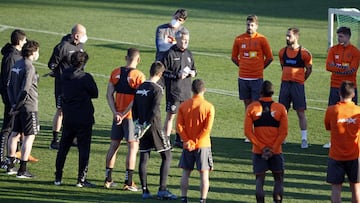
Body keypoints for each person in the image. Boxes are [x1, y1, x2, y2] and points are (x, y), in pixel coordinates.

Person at [132, 61, 176, 200]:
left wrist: (138, 124)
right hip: (154, 126)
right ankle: (162, 189)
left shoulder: (140, 87)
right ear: (160, 74)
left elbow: (134, 107)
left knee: (144, 156)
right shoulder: (157, 89)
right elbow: (155, 109)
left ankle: (145, 190)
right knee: (167, 155)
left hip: (142, 126)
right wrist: (148, 125)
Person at [54, 51, 98, 187]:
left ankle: (58, 177)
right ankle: (81, 179)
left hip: (69, 117)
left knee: (63, 147)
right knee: (84, 149)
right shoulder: (85, 77)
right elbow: (95, 93)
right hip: (84, 117)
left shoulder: (64, 75)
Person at [104, 48, 145, 191]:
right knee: (133, 148)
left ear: (125, 57)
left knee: (113, 146)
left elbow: (108, 94)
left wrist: (116, 112)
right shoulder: (139, 76)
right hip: (130, 118)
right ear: (138, 60)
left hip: (117, 117)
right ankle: (128, 182)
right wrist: (124, 113)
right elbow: (136, 100)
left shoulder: (115, 72)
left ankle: (108, 179)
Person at [231, 14, 273, 142]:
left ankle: (258, 131)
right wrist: (243, 66)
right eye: (248, 25)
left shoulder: (262, 39)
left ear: (256, 26)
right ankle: (249, 133)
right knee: (247, 106)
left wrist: (260, 68)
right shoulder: (239, 39)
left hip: (256, 78)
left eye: (252, 25)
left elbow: (269, 57)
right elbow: (234, 57)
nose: (249, 27)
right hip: (243, 78)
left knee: (257, 105)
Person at [244, 80, 288, 203]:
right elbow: (283, 133)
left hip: (259, 152)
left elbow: (248, 132)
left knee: (259, 181)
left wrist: (262, 148)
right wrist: (273, 148)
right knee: (278, 179)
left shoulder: (252, 107)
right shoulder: (280, 108)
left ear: (261, 92)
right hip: (276, 151)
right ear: (272, 93)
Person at [48, 24, 88, 150]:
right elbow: (52, 64)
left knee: (74, 111)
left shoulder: (80, 46)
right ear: (76, 35)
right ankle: (55, 140)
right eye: (83, 34)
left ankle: (72, 138)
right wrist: (60, 75)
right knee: (60, 111)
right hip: (63, 86)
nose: (85, 37)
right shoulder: (63, 47)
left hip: (76, 85)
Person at [177, 79, 215, 203]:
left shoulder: (184, 105)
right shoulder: (209, 107)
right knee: (204, 174)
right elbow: (207, 128)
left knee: (185, 173)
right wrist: (196, 140)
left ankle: (184, 197)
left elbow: (179, 126)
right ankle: (202, 200)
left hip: (188, 145)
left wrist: (187, 140)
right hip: (203, 145)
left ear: (192, 90)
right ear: (204, 90)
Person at [6, 40, 40, 178]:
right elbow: (25, 90)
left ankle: (10, 166)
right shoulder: (29, 67)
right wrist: (18, 105)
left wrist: (13, 105)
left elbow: (8, 86)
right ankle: (22, 170)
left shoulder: (17, 64)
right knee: (29, 136)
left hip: (17, 105)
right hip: (28, 106)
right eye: (37, 51)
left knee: (14, 134)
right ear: (33, 52)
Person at [323, 26, 360, 148]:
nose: (338, 39)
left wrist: (337, 67)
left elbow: (352, 69)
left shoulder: (355, 52)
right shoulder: (333, 50)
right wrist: (344, 68)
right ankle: (333, 141)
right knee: (334, 114)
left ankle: (351, 141)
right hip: (335, 86)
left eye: (341, 36)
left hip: (350, 87)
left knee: (351, 117)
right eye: (338, 36)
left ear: (348, 37)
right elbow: (328, 66)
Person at [324, 81, 360, 202]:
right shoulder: (358, 111)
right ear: (353, 94)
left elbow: (328, 127)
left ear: (339, 93)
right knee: (356, 187)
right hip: (354, 155)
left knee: (336, 189)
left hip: (336, 155)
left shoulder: (331, 110)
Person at [278, 28, 312, 149]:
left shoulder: (304, 53)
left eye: (289, 36)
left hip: (297, 86)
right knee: (282, 112)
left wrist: (300, 80)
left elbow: (309, 70)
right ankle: (282, 137)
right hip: (285, 84)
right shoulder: (282, 52)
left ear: (296, 37)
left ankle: (304, 139)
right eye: (286, 36)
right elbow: (283, 66)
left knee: (300, 112)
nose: (287, 38)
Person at [162, 28, 196, 148]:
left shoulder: (189, 54)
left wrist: (193, 73)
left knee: (184, 117)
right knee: (171, 115)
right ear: (177, 39)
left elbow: (194, 69)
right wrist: (177, 75)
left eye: (187, 40)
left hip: (186, 91)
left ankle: (179, 138)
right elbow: (163, 72)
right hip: (174, 91)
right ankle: (165, 140)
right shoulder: (169, 54)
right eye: (183, 40)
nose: (185, 42)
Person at [0, 29, 27, 168]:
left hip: (16, 98)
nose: (26, 42)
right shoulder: (11, 57)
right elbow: (6, 80)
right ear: (19, 41)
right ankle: (1, 158)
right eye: (24, 40)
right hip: (11, 99)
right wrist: (9, 100)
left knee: (16, 127)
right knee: (7, 128)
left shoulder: (17, 55)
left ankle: (15, 154)